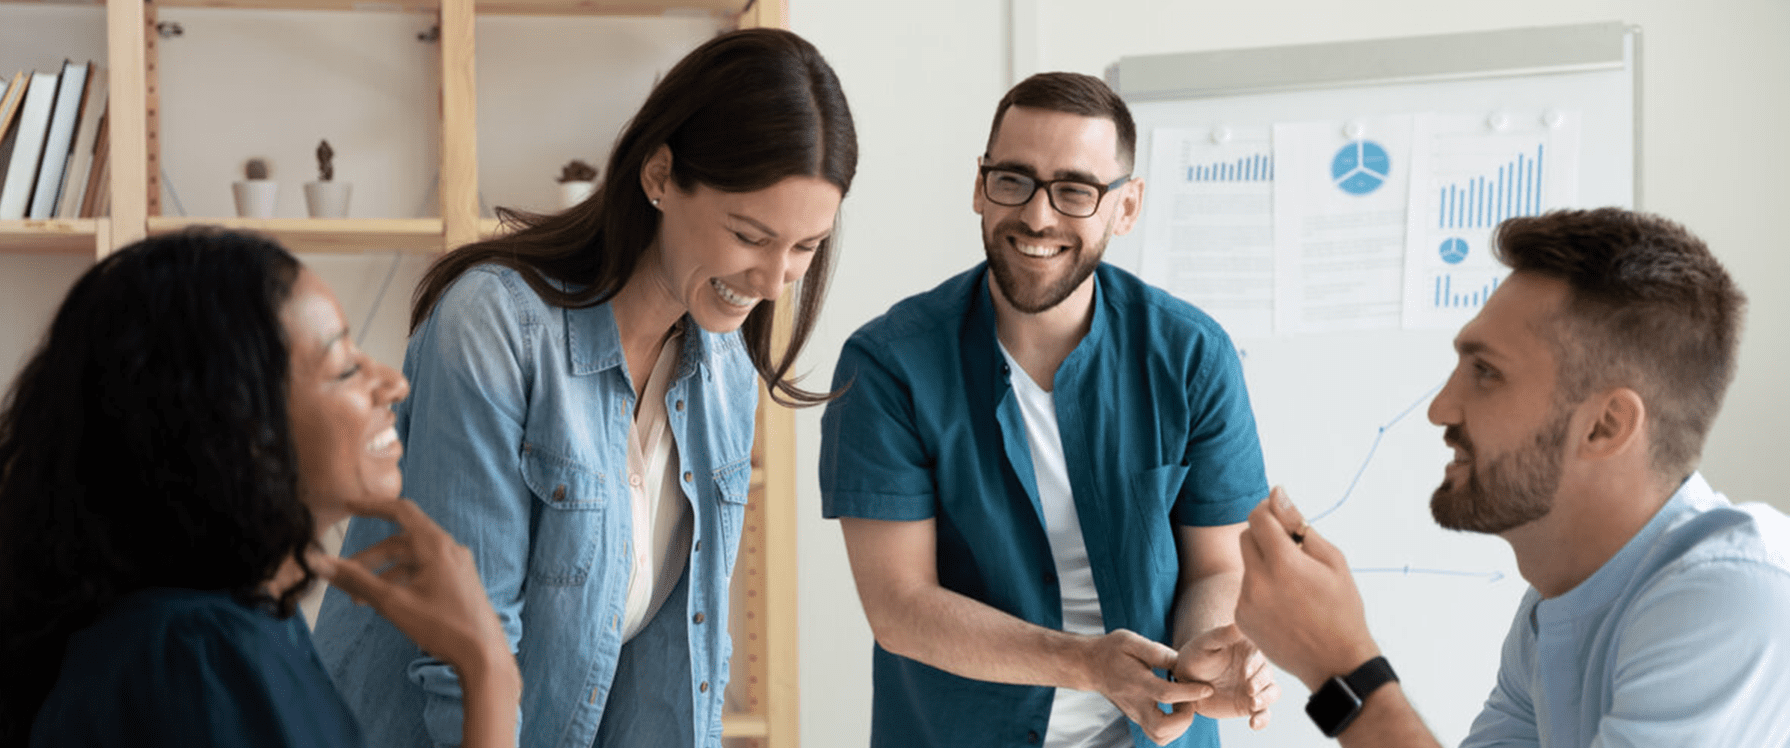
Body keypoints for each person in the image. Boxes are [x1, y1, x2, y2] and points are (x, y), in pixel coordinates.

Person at [313, 27, 857, 748]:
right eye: (750, 235)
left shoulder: (723, 363)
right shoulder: (496, 329)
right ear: (659, 176)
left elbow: (687, 664)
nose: (773, 280)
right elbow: (466, 660)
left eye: (806, 248)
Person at [819, 71, 1277, 748]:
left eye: (1075, 190)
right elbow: (900, 608)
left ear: (1126, 207)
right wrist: (1086, 665)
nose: (1038, 215)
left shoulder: (1192, 356)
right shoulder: (889, 366)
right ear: (980, 186)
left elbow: (1218, 565)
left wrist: (1207, 649)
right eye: (1014, 180)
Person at [1235, 207, 1790, 746]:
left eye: (1485, 373)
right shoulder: (1556, 605)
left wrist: (1342, 668)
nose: (1442, 409)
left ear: (1604, 426)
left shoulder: (1739, 599)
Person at [0, 229, 519, 748]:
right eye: (344, 368)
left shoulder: (243, 626)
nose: (393, 384)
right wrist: (489, 670)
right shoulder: (194, 658)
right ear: (236, 427)